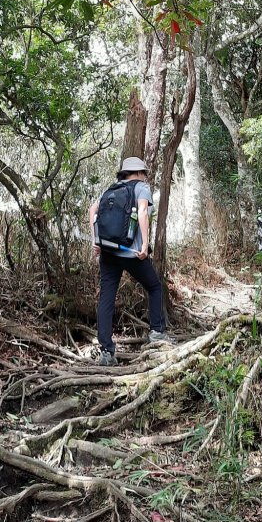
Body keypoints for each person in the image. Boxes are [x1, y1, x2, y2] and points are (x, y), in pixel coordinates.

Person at [90, 156, 173, 366]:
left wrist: (96, 240)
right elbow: (143, 211)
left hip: (108, 253)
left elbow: (92, 211)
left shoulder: (111, 189)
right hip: (131, 253)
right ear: (139, 173)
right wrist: (144, 244)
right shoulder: (141, 188)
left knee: (106, 298)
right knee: (155, 286)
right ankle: (156, 332)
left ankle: (106, 352)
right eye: (143, 172)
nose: (145, 176)